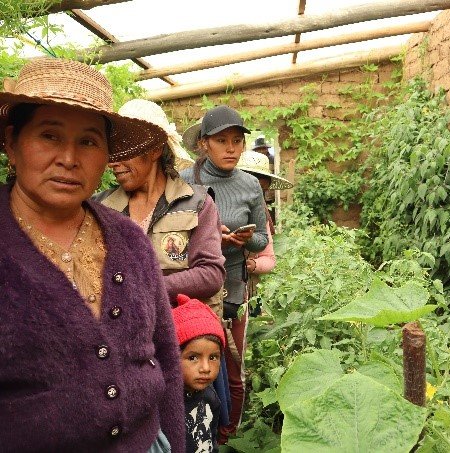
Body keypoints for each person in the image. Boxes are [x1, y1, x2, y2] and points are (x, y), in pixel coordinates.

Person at [0, 58, 184, 451]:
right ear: (12, 143)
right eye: (49, 136)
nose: (69, 158)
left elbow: (166, 357)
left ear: (105, 156)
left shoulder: (130, 241)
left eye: (88, 141)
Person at [180, 105, 268, 441]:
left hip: (232, 285)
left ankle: (227, 432)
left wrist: (245, 240)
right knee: (191, 361)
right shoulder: (186, 182)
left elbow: (262, 238)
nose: (231, 148)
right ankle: (189, 431)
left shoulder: (249, 185)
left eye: (236, 141)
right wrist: (210, 234)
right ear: (204, 144)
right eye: (222, 141)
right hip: (194, 283)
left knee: (232, 364)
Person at [95, 99, 226, 316]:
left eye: (126, 150)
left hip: (179, 333)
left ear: (155, 150)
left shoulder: (196, 203)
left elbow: (210, 274)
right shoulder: (101, 207)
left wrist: (146, 288)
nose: (113, 162)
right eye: (113, 150)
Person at [236, 150, 293, 308]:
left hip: (251, 289)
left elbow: (270, 258)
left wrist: (255, 265)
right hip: (220, 289)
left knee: (254, 324)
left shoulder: (261, 218)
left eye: (259, 190)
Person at [172, 294, 225, 453]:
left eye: (213, 357)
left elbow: (211, 439)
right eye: (193, 357)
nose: (206, 368)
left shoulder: (210, 396)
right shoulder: (164, 402)